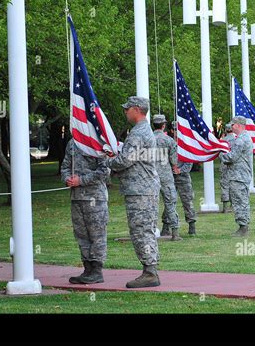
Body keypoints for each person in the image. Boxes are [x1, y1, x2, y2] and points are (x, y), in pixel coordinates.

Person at [106, 96, 161, 288]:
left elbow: (125, 160)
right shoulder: (143, 130)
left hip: (141, 191)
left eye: (127, 109)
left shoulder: (138, 133)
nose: (125, 111)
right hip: (143, 189)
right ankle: (150, 269)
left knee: (141, 231)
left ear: (137, 109)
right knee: (143, 229)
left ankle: (150, 272)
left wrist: (107, 162)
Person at [61, 139, 110, 284]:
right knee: (81, 235)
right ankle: (87, 269)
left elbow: (104, 171)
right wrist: (67, 179)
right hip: (77, 198)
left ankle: (96, 270)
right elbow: (65, 166)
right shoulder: (72, 143)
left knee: (97, 235)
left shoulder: (98, 142)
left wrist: (81, 180)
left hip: (95, 197)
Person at [219, 116, 253, 237]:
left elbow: (231, 157)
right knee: (242, 200)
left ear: (238, 125)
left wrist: (220, 153)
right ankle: (244, 225)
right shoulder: (244, 137)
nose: (231, 127)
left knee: (239, 201)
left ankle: (243, 227)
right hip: (241, 175)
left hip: (239, 175)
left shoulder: (241, 140)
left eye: (232, 125)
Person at [152, 114, 181, 241]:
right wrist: (175, 167)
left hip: (150, 175)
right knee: (170, 202)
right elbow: (173, 160)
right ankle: (174, 232)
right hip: (166, 176)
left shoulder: (147, 139)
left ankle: (150, 230)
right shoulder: (169, 140)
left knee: (151, 204)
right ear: (164, 125)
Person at [172, 123, 197, 235]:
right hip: (170, 178)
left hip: (183, 178)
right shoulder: (169, 143)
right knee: (170, 202)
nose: (177, 132)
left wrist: (180, 170)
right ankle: (168, 225)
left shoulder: (186, 144)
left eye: (179, 129)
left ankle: (192, 226)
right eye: (175, 130)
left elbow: (189, 162)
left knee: (188, 201)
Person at [220, 124, 236, 212]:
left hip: (224, 165)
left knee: (224, 184)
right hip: (233, 165)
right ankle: (233, 205)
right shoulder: (236, 140)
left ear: (226, 130)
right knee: (233, 184)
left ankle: (225, 207)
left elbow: (220, 154)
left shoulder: (223, 141)